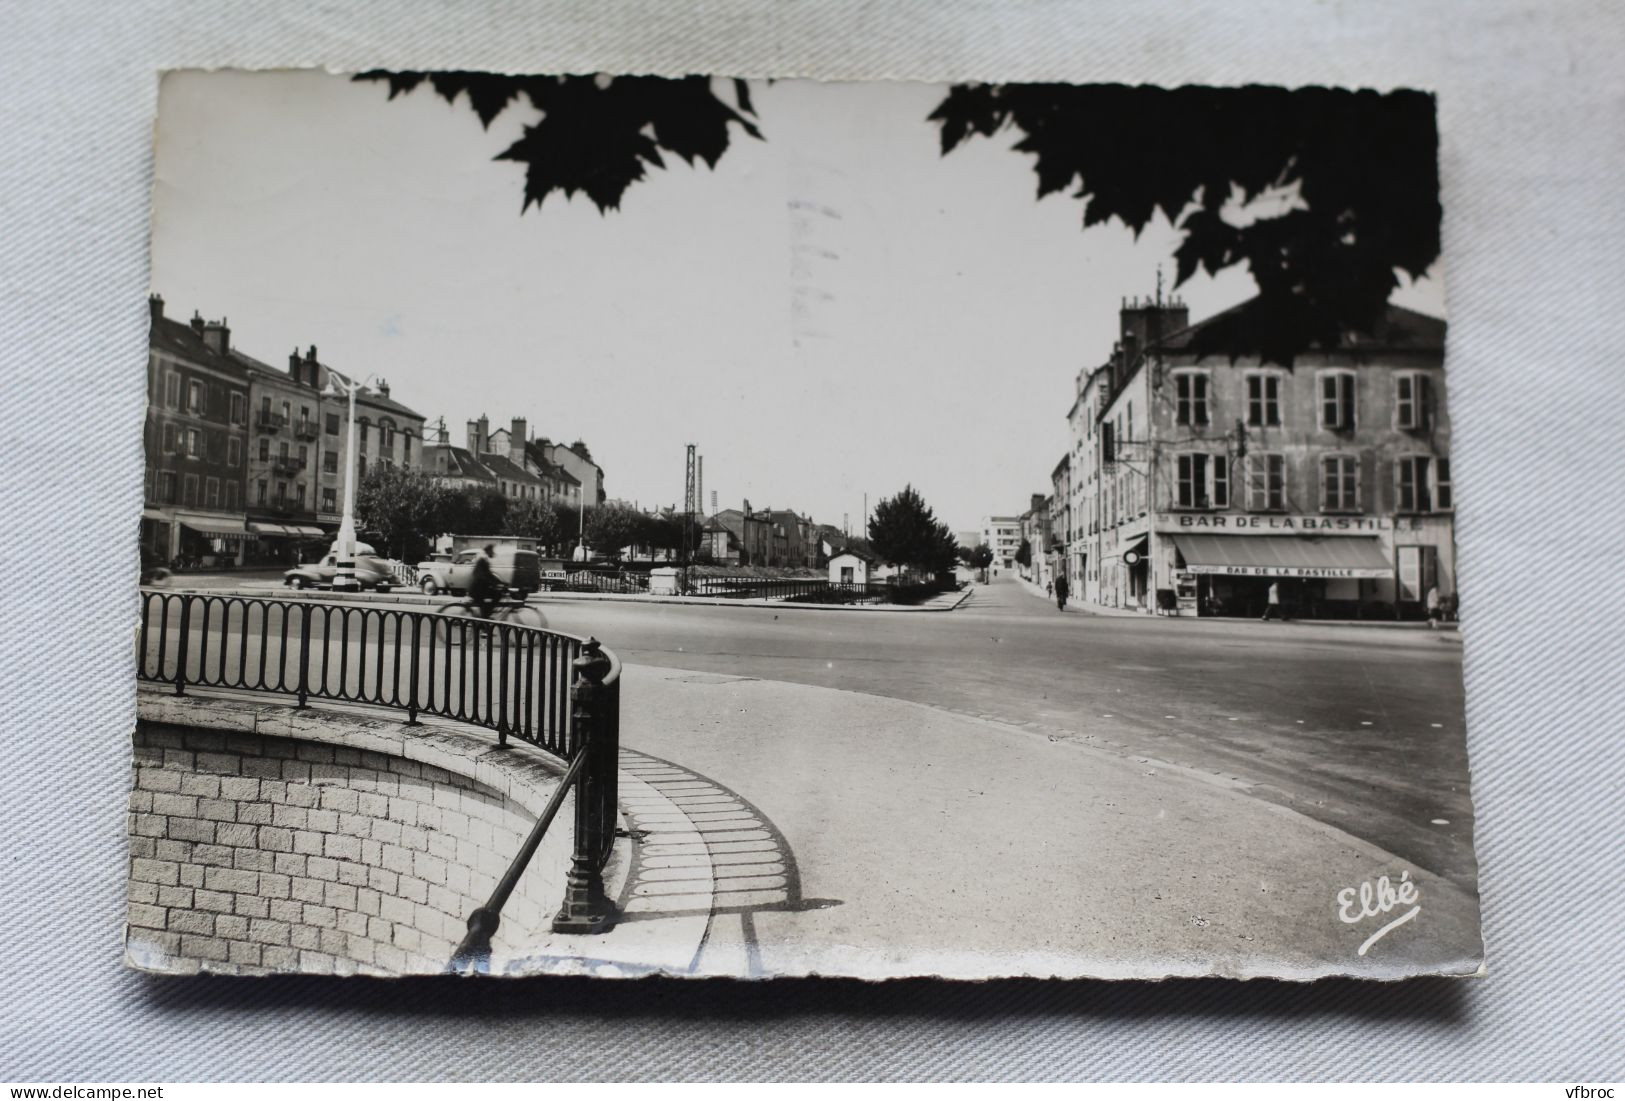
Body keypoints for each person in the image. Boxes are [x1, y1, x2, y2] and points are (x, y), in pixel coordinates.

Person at [469, 544, 503, 620]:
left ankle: (485, 618)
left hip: (479, 588)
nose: (493, 553)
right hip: (477, 589)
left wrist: (500, 582)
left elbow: (489, 574)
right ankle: (484, 620)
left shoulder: (484, 559)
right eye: (492, 551)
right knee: (497, 595)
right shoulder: (483, 560)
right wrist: (496, 583)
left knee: (487, 603)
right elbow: (486, 575)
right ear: (489, 551)